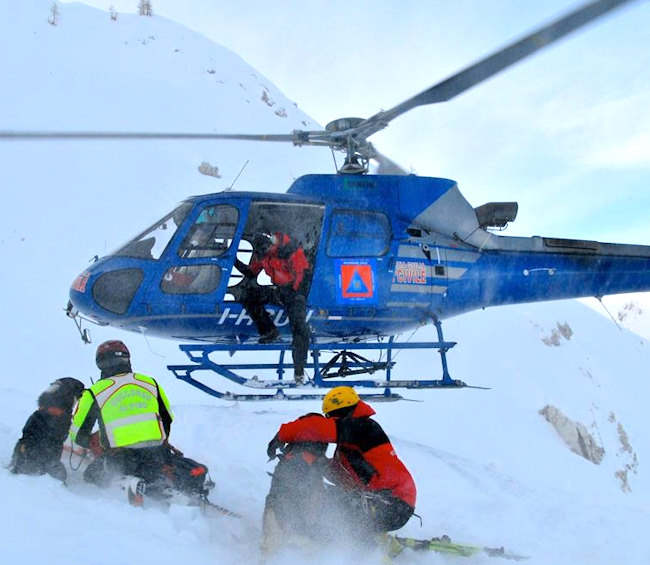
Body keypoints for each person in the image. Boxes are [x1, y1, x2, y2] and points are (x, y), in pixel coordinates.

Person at [266, 386, 416, 537]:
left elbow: (316, 427)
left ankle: (366, 548)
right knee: (326, 502)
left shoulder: (363, 427)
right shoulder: (351, 444)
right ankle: (366, 538)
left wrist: (282, 435)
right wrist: (317, 464)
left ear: (345, 411)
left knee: (332, 515)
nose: (331, 420)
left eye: (332, 416)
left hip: (394, 502)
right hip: (379, 499)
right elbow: (343, 475)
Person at [69, 340, 174, 496]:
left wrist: (92, 443)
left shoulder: (94, 392)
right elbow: (167, 418)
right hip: (156, 453)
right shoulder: (150, 383)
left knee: (91, 476)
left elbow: (77, 433)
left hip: (121, 457)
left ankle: (126, 482)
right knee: (152, 470)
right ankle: (161, 483)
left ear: (100, 363)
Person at [236, 231, 311, 382]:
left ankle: (299, 369)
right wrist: (234, 261)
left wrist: (295, 294)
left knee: (298, 326)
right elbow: (252, 272)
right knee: (248, 297)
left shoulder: (290, 251)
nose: (265, 253)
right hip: (279, 290)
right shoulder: (264, 256)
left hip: (295, 292)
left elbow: (302, 275)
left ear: (272, 244)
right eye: (261, 251)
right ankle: (269, 331)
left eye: (266, 249)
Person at [10, 377, 85, 482]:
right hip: (37, 464)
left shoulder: (38, 416)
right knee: (59, 476)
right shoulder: (58, 420)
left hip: (23, 458)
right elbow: (55, 441)